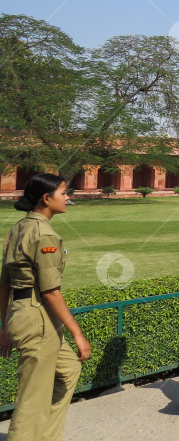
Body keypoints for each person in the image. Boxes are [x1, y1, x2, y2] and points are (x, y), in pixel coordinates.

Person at [0, 173, 88, 441]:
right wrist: (77, 333)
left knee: (69, 370)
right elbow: (50, 291)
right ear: (46, 198)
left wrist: (4, 325)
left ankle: (45, 436)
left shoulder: (20, 227)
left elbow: (4, 281)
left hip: (23, 313)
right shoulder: (44, 234)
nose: (68, 198)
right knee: (33, 396)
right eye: (64, 193)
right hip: (36, 316)